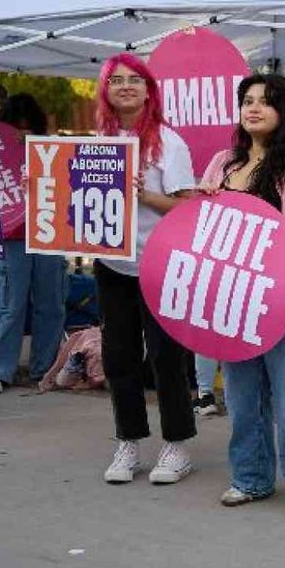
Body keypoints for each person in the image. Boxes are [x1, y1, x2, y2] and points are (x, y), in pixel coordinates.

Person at [198, 74, 285, 520]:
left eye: (265, 101)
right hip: (236, 298)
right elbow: (203, 226)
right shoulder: (222, 163)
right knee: (243, 399)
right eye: (247, 100)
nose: (254, 108)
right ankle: (251, 478)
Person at [92, 53, 198, 485]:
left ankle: (177, 445)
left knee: (165, 358)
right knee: (118, 358)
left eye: (135, 80)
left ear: (149, 90)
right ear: (105, 90)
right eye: (116, 80)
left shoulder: (169, 143)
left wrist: (146, 196)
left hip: (159, 264)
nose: (125, 87)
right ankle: (128, 442)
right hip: (110, 265)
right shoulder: (96, 141)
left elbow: (189, 205)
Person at [0, 94, 69, 394]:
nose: (24, 134)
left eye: (29, 128)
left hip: (49, 234)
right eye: (18, 128)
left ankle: (43, 368)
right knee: (9, 304)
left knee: (50, 304)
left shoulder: (53, 151)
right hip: (12, 237)